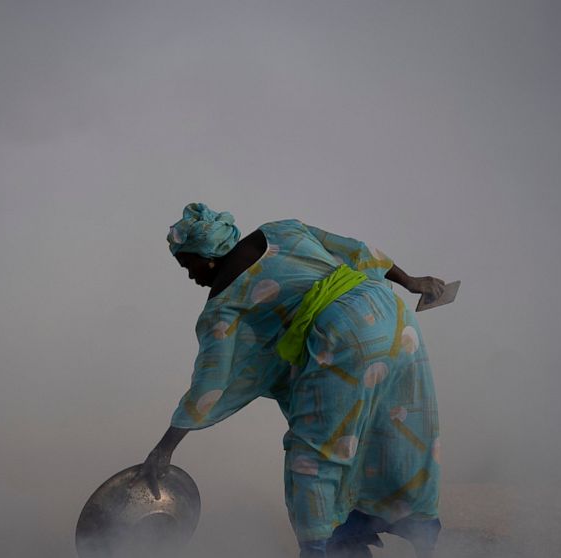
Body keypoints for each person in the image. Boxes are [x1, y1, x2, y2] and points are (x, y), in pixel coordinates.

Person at [135, 203, 447, 558]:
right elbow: (359, 251)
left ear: (206, 255)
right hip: (393, 315)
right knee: (399, 427)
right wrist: (411, 282)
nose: (190, 276)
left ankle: (323, 548)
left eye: (186, 265)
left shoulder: (222, 308)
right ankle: (420, 533)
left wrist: (166, 446)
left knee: (314, 453)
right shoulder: (283, 229)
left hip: (341, 337)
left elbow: (210, 385)